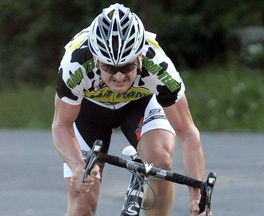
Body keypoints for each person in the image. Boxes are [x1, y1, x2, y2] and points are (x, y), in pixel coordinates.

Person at [52, 3, 207, 216]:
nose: (118, 76)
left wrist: (197, 197)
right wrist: (77, 165)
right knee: (81, 205)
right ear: (96, 59)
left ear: (140, 58)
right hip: (89, 111)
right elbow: (61, 125)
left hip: (139, 105)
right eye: (108, 67)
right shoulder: (74, 65)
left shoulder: (159, 66)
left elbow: (188, 133)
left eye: (127, 66)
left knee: (160, 166)